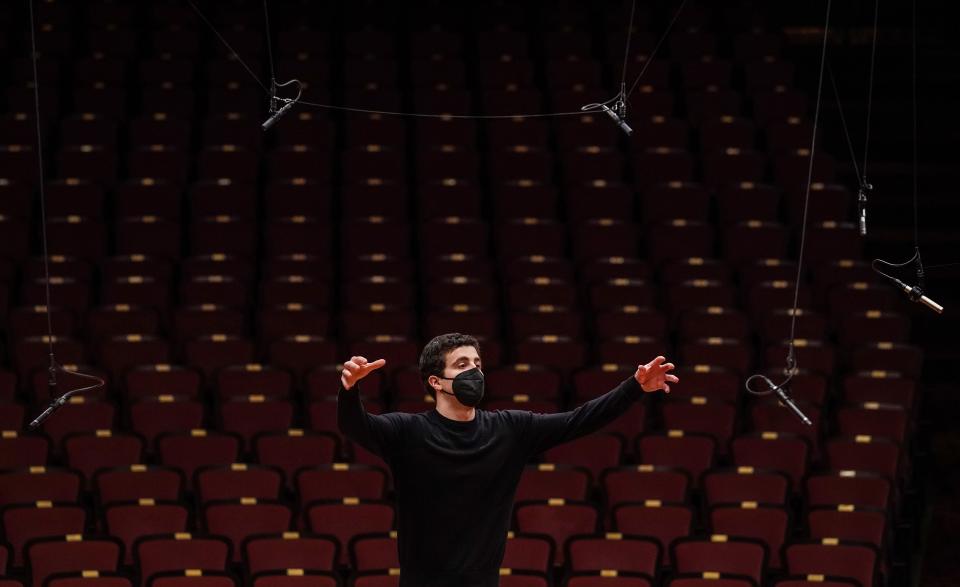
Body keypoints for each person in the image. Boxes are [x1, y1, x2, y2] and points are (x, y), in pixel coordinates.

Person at [338, 332, 679, 587]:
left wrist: (634, 387)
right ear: (436, 382)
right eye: (462, 365)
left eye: (477, 364)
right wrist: (350, 389)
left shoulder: (510, 429)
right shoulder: (408, 433)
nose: (475, 372)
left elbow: (580, 419)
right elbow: (355, 426)